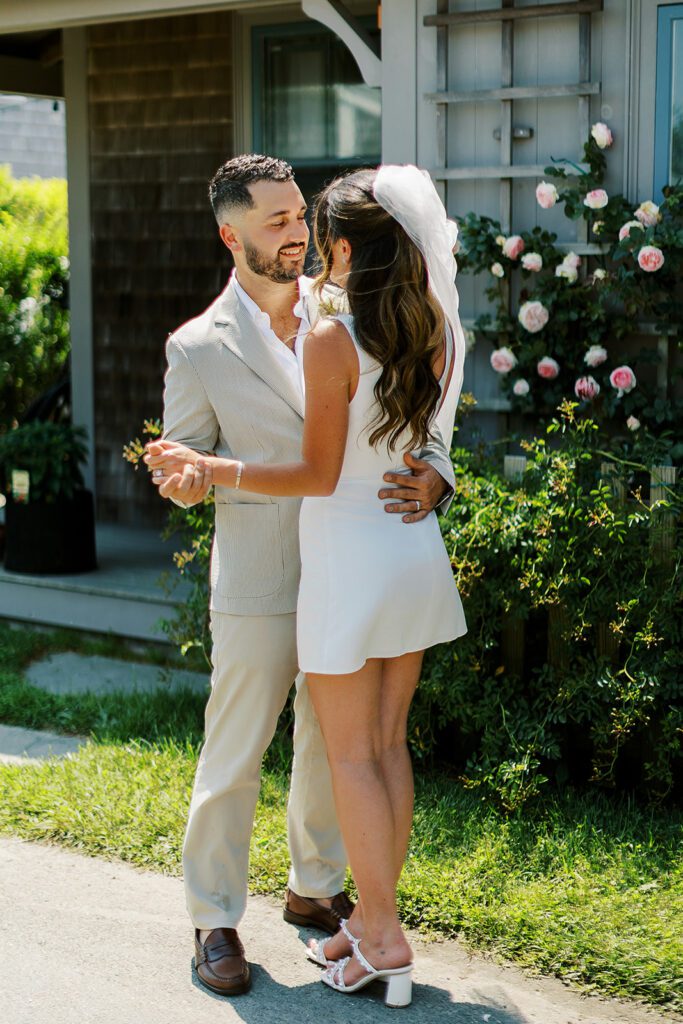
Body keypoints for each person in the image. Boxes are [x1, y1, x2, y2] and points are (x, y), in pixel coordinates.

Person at [146, 163, 468, 1008]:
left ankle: (319, 885)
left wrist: (436, 475)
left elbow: (421, 429)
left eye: (301, 216)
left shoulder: (352, 309)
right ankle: (214, 916)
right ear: (232, 235)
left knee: (339, 752)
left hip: (351, 563)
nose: (296, 232)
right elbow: (185, 459)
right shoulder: (196, 343)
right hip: (262, 577)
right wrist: (190, 478)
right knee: (236, 752)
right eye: (278, 221)